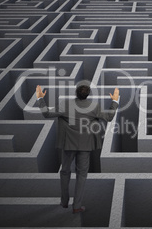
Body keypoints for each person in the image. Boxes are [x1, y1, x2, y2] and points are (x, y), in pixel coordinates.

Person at [36, 84, 119, 214]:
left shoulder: (65, 104)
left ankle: (64, 202)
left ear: (76, 93)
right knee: (81, 175)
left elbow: (46, 113)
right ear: (88, 94)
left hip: (68, 144)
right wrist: (115, 100)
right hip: (85, 145)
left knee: (64, 171)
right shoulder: (94, 106)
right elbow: (109, 117)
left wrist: (40, 98)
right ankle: (77, 206)